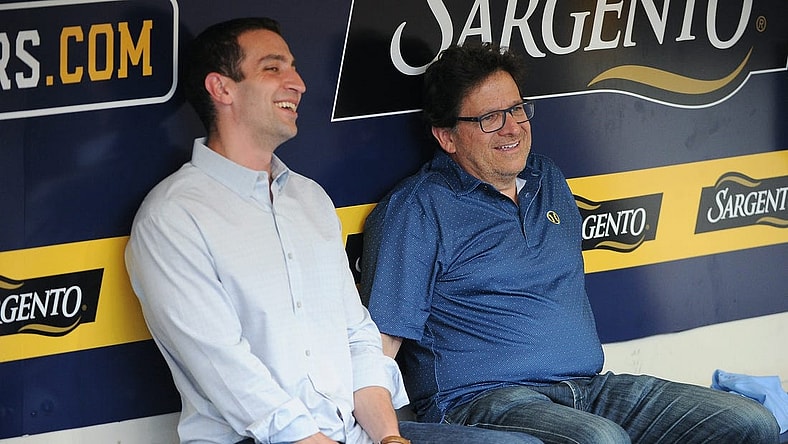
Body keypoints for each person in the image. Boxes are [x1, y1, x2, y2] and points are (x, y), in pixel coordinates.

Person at [125, 18, 541, 444]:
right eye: (274, 68)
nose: (298, 83)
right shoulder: (173, 217)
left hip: (354, 432)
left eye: (294, 67)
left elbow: (358, 337)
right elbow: (226, 371)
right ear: (222, 88)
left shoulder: (309, 200)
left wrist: (388, 437)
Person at [360, 42, 780, 444]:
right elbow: (378, 343)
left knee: (751, 422)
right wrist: (384, 433)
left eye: (517, 109)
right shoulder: (416, 209)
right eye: (490, 117)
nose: (512, 128)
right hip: (482, 400)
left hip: (586, 386)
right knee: (602, 439)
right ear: (447, 137)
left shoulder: (549, 180)